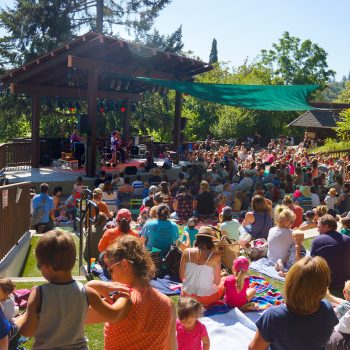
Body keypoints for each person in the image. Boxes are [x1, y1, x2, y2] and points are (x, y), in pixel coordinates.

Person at [16, 230, 132, 350]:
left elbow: (27, 332)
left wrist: (29, 312)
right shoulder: (87, 292)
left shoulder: (38, 294)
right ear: (72, 262)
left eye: (39, 266)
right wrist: (124, 296)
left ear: (47, 266)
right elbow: (113, 314)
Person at [86, 235, 177, 350]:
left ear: (124, 265)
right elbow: (172, 347)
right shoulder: (169, 305)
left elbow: (71, 317)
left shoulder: (121, 301)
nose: (111, 278)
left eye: (111, 270)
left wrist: (89, 287)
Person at [249, 256, 338, 350]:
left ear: (290, 283)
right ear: (324, 286)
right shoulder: (327, 309)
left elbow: (254, 348)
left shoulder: (273, 317)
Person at [180, 226, 224, 306]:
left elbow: (182, 276)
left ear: (198, 239)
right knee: (224, 281)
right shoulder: (215, 256)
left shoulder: (186, 252)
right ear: (211, 241)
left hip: (187, 295)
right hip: (207, 298)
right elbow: (216, 282)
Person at [311, 214, 350, 287]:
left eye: (319, 226)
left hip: (325, 282)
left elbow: (312, 263)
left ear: (326, 226)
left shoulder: (317, 240)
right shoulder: (348, 239)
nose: (317, 229)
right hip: (345, 280)